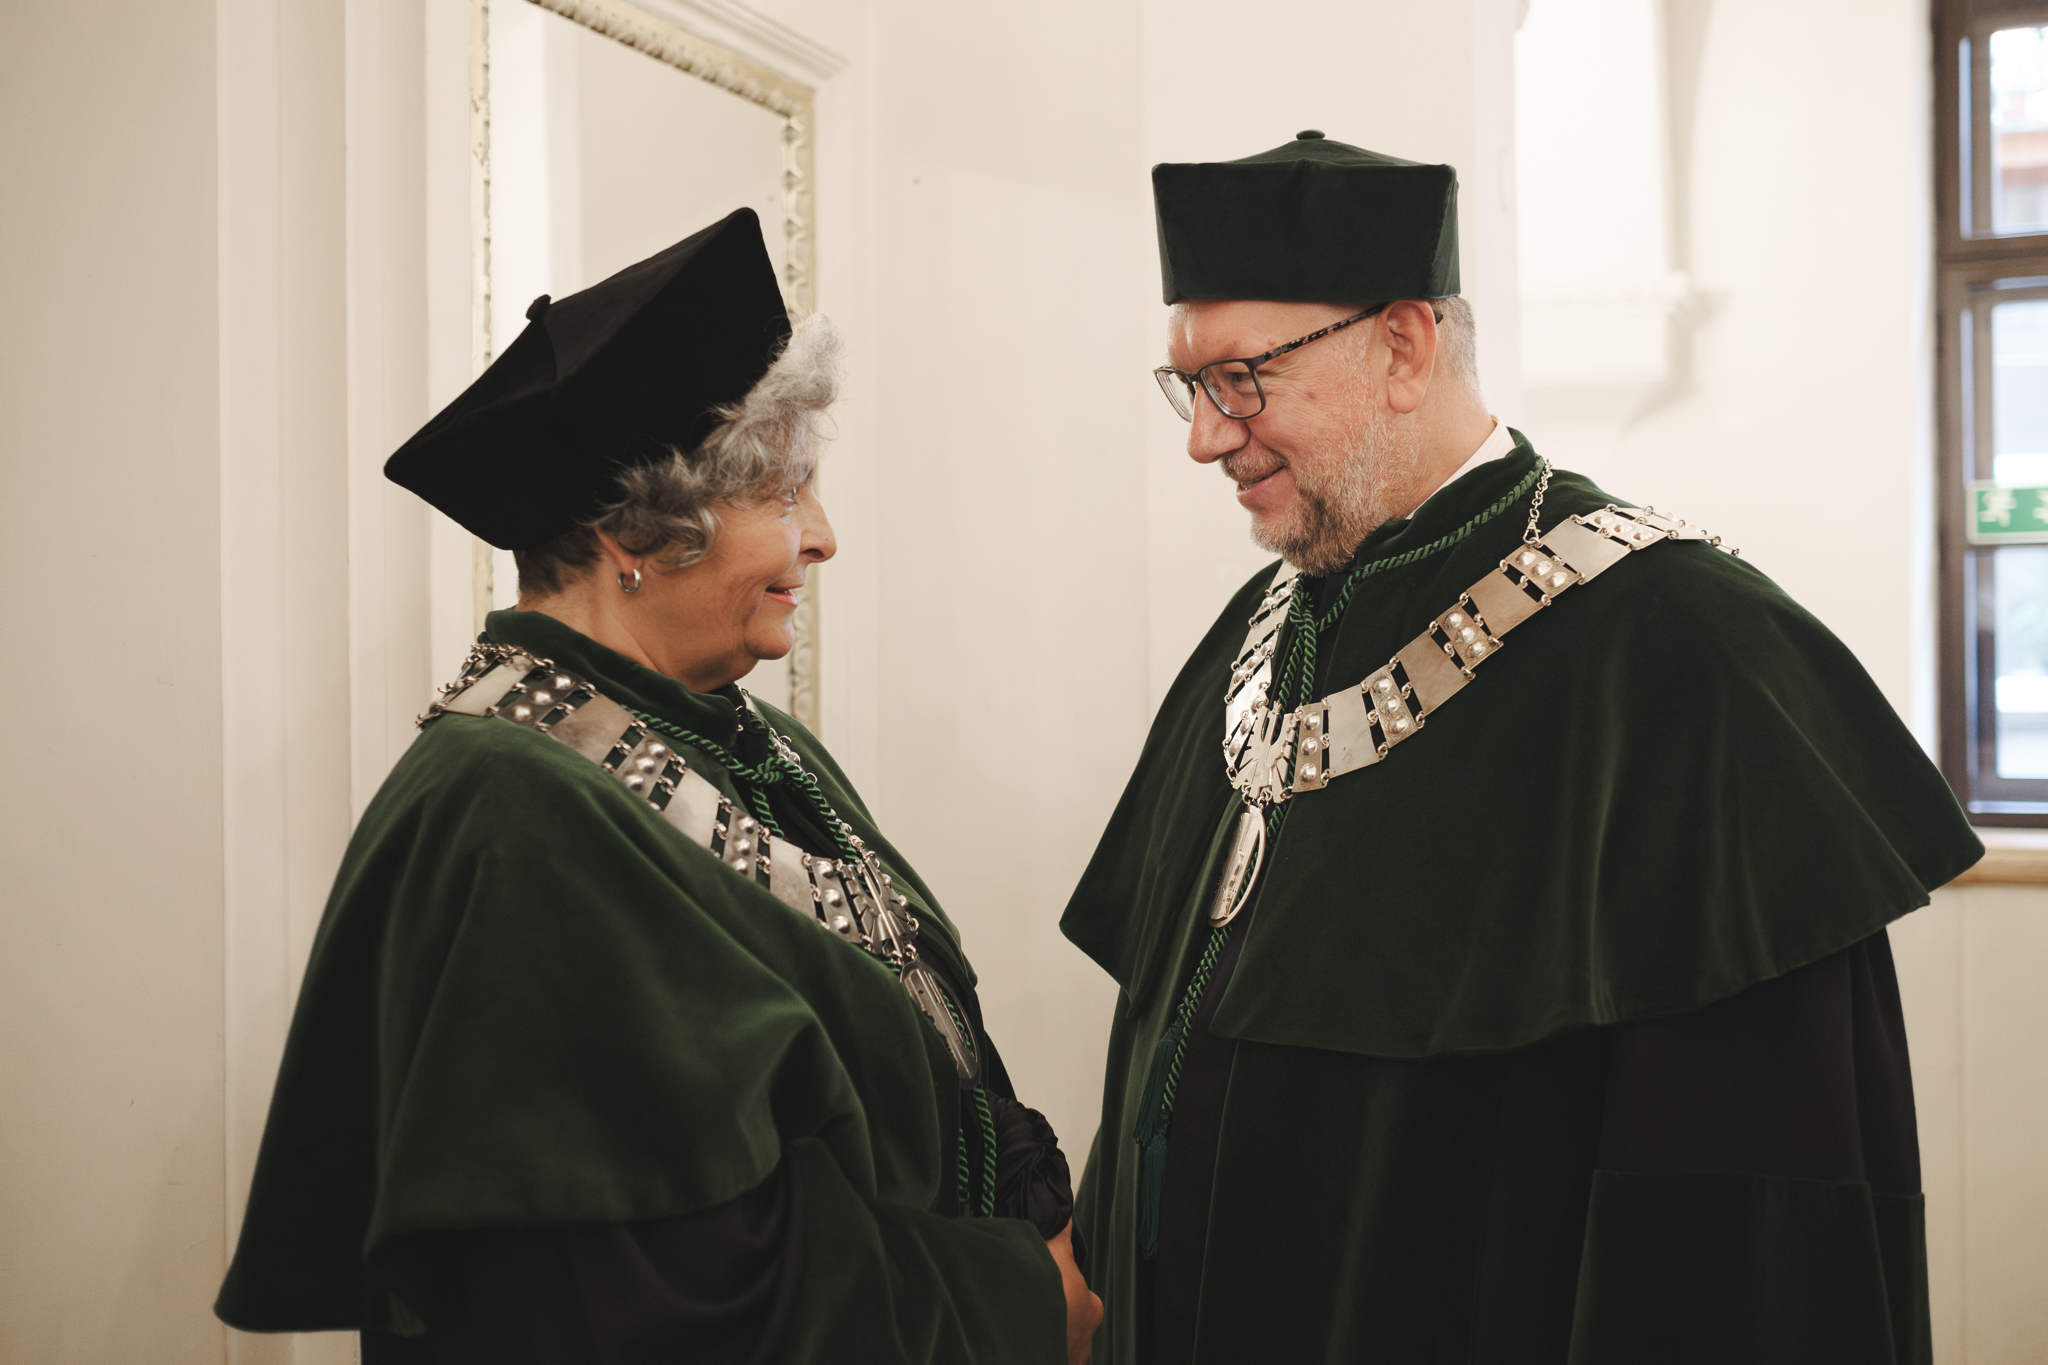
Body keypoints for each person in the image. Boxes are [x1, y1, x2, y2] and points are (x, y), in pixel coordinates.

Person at [1062, 132, 1982, 1365]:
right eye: (1189, 386)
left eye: (1240, 379)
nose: (1204, 438)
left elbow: (1742, 1223)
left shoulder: (1685, 645)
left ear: (1403, 345)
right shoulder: (1263, 628)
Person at [216, 208, 1101, 1365]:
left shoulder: (752, 742)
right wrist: (1014, 1300)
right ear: (636, 531)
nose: (821, 536)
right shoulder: (506, 810)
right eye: (781, 494)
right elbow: (647, 1297)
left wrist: (1038, 1222)